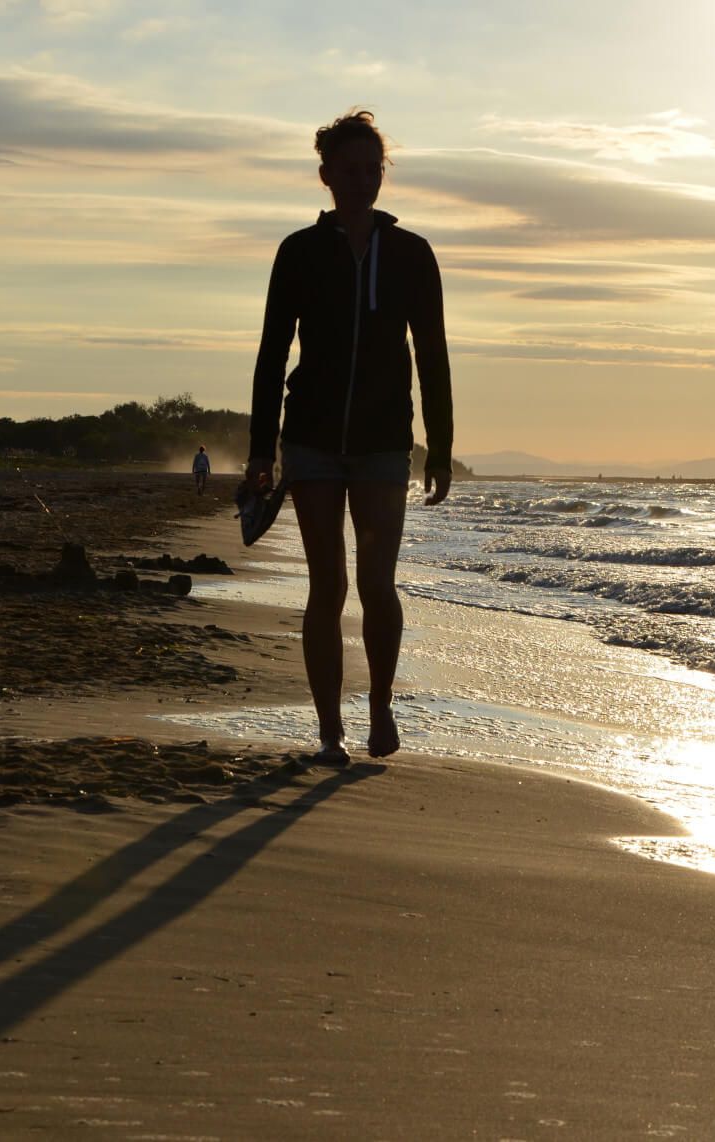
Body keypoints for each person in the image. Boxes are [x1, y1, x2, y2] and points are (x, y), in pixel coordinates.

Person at [247, 109, 454, 765]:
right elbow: (271, 351)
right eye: (350, 170)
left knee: (376, 583)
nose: (363, 181)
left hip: (383, 442)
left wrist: (440, 446)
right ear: (326, 176)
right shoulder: (299, 252)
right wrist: (260, 449)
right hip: (309, 437)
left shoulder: (411, 254)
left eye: (373, 170)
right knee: (326, 586)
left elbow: (433, 354)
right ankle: (329, 730)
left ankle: (382, 707)